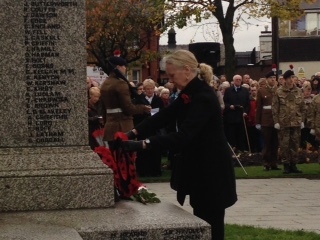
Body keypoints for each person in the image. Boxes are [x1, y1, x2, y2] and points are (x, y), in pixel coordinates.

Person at [122, 50, 237, 240]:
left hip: (212, 172)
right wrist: (133, 132)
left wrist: (143, 144)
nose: (171, 79)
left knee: (212, 227)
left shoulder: (203, 97)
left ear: (186, 70)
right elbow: (163, 116)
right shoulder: (189, 93)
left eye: (173, 75)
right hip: (200, 171)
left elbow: (184, 136)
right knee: (202, 222)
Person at [99, 55, 151, 149]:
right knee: (126, 161)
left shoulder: (104, 84)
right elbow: (128, 108)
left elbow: (103, 109)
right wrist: (143, 108)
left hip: (110, 128)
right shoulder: (121, 84)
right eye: (124, 66)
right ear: (118, 67)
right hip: (123, 127)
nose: (125, 68)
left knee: (114, 160)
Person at [272, 67, 305, 174]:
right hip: (284, 122)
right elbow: (275, 108)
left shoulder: (298, 91)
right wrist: (276, 121)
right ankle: (286, 165)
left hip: (296, 121)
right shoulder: (279, 91)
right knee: (284, 144)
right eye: (290, 78)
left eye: (293, 77)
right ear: (285, 79)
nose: (292, 79)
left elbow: (302, 107)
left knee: (295, 144)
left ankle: (294, 164)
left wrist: (302, 120)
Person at [255, 71, 280, 171]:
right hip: (266, 120)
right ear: (267, 79)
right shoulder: (262, 91)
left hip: (277, 120)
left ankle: (274, 163)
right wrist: (258, 122)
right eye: (271, 78)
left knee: (275, 143)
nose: (273, 79)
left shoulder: (279, 90)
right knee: (267, 142)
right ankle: (266, 162)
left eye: (274, 78)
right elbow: (259, 107)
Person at [223, 74, 251, 152]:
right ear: (233, 81)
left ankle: (242, 149)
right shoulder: (228, 90)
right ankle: (233, 149)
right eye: (236, 80)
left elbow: (248, 104)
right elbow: (225, 102)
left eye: (239, 79)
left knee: (241, 134)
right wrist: (229, 106)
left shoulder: (245, 90)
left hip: (241, 116)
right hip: (231, 116)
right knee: (232, 134)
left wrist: (245, 112)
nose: (238, 81)